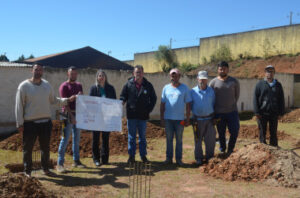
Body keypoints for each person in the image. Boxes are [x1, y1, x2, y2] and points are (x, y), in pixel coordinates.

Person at [15, 63, 76, 177]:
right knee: (28, 149)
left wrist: (67, 99)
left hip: (45, 123)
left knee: (45, 148)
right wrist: (20, 123)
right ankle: (27, 171)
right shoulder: (23, 86)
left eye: (40, 70)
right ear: (31, 71)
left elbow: (54, 100)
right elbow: (19, 106)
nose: (38, 72)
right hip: (30, 123)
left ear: (42, 72)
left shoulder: (47, 85)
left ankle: (45, 169)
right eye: (36, 69)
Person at [120, 65, 157, 163]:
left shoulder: (148, 85)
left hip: (143, 117)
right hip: (131, 116)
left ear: (143, 73)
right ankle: (131, 156)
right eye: (137, 72)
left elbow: (154, 98)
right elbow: (123, 96)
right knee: (131, 137)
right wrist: (121, 102)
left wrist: (148, 110)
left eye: (140, 72)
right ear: (133, 73)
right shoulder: (128, 84)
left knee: (142, 138)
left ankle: (143, 156)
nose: (138, 74)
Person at [160, 68, 191, 166]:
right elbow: (162, 104)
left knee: (179, 140)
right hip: (168, 119)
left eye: (176, 75)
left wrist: (188, 118)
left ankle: (179, 159)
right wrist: (162, 118)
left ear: (179, 76)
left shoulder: (185, 88)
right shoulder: (166, 88)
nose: (174, 77)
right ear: (170, 76)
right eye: (172, 75)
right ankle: (168, 158)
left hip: (180, 120)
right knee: (169, 139)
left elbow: (188, 104)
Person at [57, 66, 85, 173]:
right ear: (67, 74)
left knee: (77, 139)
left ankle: (76, 161)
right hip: (67, 115)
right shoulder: (64, 86)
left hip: (78, 114)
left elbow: (81, 101)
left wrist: (81, 97)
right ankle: (60, 163)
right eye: (71, 74)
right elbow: (65, 103)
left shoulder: (79, 85)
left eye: (75, 74)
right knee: (65, 139)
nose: (73, 75)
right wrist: (72, 117)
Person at [209, 61, 240, 155]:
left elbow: (236, 95)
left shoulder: (234, 81)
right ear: (218, 70)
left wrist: (231, 104)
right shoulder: (213, 82)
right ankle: (222, 149)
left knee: (234, 131)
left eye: (224, 69)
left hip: (232, 112)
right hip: (219, 113)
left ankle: (230, 149)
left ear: (228, 69)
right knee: (221, 133)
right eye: (220, 69)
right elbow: (210, 97)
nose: (222, 70)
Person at [89, 70, 116, 166]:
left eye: (103, 75)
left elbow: (114, 102)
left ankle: (105, 159)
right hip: (96, 118)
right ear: (97, 77)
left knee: (105, 138)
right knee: (95, 139)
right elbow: (90, 102)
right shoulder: (93, 88)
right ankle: (96, 159)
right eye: (99, 76)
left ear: (105, 77)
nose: (101, 77)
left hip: (107, 118)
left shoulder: (111, 88)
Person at [253, 65, 285, 147]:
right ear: (265, 73)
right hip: (262, 113)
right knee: (262, 132)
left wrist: (281, 112)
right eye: (268, 71)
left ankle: (274, 148)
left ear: (274, 73)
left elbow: (281, 99)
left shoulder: (278, 85)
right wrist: (256, 112)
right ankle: (262, 147)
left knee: (273, 132)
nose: (269, 73)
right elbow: (255, 98)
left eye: (271, 71)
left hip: (274, 113)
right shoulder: (259, 84)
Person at [190, 71, 216, 166]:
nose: (202, 80)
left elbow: (213, 103)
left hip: (209, 119)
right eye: (201, 78)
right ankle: (199, 158)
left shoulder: (211, 91)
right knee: (198, 140)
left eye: (204, 79)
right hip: (197, 120)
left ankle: (209, 157)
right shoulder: (192, 92)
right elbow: (190, 105)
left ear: (207, 79)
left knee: (210, 140)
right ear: (197, 79)